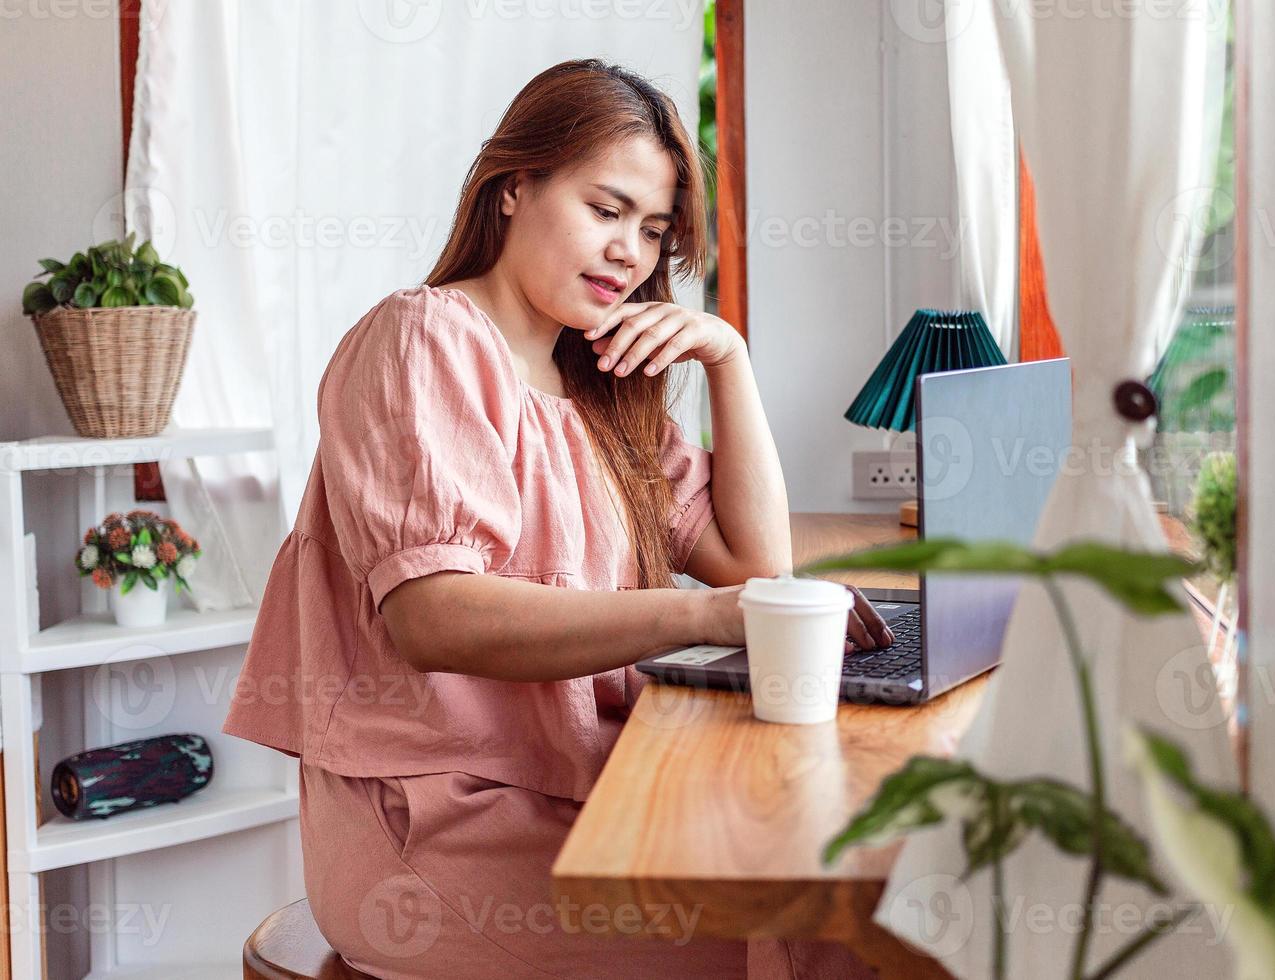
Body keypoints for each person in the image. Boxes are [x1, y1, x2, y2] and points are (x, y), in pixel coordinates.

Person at [224, 59, 894, 979]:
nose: (631, 251)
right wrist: (700, 616)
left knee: (855, 889)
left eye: (654, 231)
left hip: (588, 795)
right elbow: (434, 616)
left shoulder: (596, 390)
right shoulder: (425, 338)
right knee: (824, 935)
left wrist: (729, 360)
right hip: (443, 833)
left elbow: (752, 563)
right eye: (605, 209)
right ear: (515, 187)